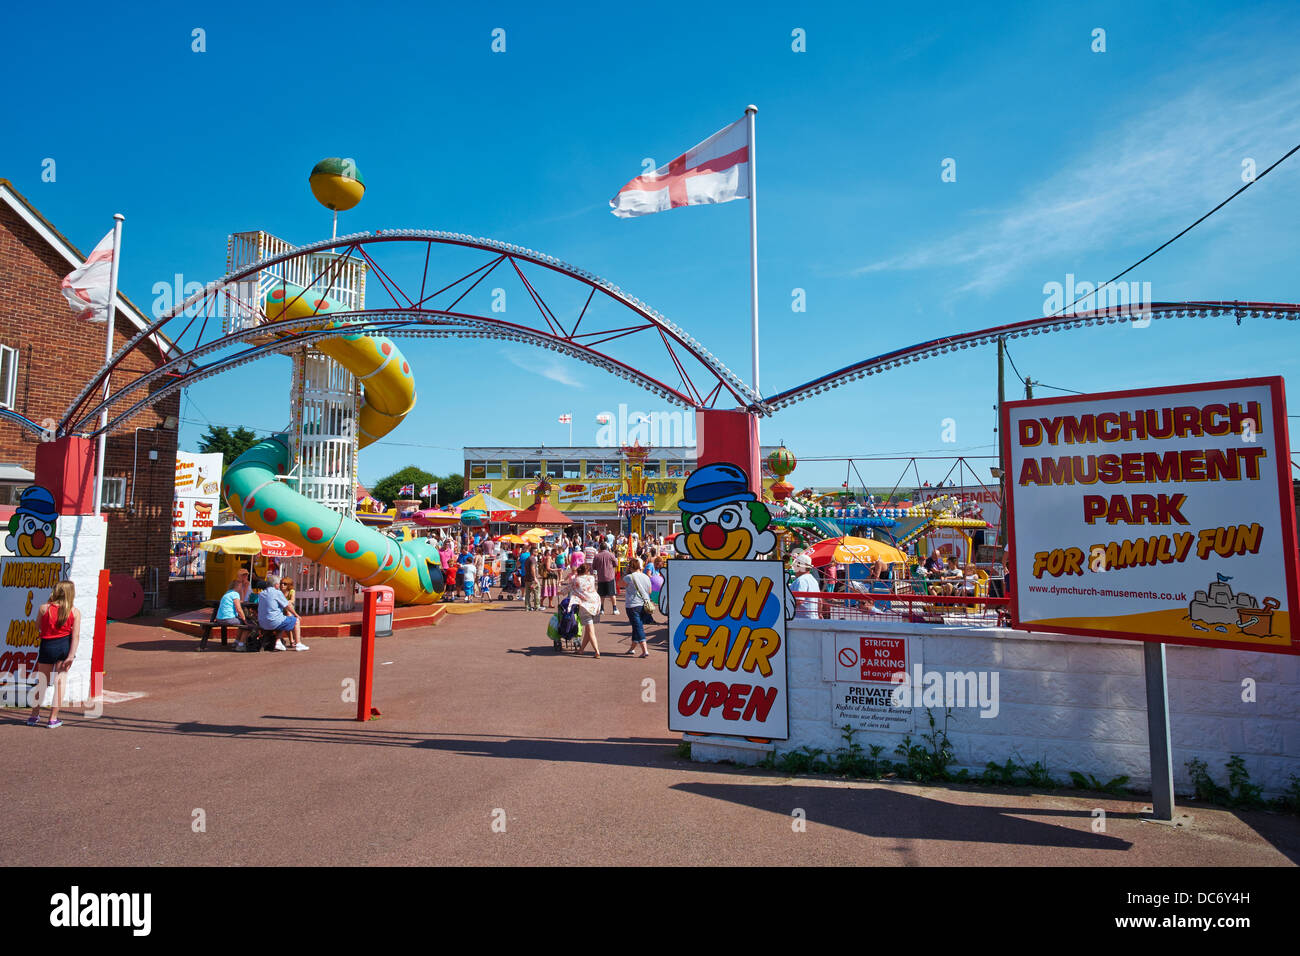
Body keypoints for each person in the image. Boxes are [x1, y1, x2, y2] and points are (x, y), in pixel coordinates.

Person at [26, 580, 81, 728]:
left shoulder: (44, 608)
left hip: (47, 646)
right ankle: (52, 718)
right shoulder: (74, 612)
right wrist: (71, 656)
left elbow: (37, 627)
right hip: (63, 647)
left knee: (42, 682)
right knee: (60, 683)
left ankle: (34, 716)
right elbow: (75, 637)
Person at [567, 563, 602, 658]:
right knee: (588, 629)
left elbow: (569, 588)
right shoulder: (592, 578)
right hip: (596, 603)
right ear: (587, 571)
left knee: (590, 630)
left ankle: (597, 651)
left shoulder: (576, 579)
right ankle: (581, 650)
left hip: (585, 605)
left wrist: (560, 592)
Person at [256, 574, 298, 650]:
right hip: (274, 621)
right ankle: (298, 643)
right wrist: (296, 615)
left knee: (281, 618)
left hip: (262, 622)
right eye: (280, 583)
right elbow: (287, 605)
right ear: (276, 585)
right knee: (294, 620)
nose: (281, 585)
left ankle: (278, 641)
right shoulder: (277, 593)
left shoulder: (261, 594)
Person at [623, 557, 654, 658]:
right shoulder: (646, 577)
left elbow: (619, 584)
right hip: (644, 604)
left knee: (638, 627)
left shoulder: (629, 577)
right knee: (637, 625)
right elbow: (649, 591)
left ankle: (645, 650)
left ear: (630, 567)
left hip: (633, 604)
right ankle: (632, 648)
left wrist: (625, 573)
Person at [214, 577, 255, 652]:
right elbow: (239, 609)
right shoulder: (235, 594)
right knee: (249, 624)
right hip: (228, 619)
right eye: (241, 586)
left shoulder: (228, 593)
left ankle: (236, 642)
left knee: (242, 623)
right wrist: (245, 620)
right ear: (237, 586)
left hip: (219, 619)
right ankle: (241, 645)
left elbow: (240, 602)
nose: (242, 587)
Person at [279, 577, 308, 650]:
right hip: (282, 609)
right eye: (281, 583)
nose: (282, 585)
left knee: (288, 614)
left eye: (285, 584)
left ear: (288, 585)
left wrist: (286, 603)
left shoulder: (291, 591)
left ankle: (293, 640)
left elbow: (292, 600)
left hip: (289, 609)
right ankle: (291, 640)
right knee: (286, 616)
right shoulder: (279, 592)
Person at [791, 555, 822, 619]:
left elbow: (799, 600)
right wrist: (819, 614)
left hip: (801, 619)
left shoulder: (801, 580)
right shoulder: (813, 580)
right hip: (813, 617)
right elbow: (819, 601)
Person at [593, 541, 618, 617]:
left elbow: (594, 566)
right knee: (612, 594)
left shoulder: (597, 556)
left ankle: (602, 609)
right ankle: (614, 609)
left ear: (600, 548)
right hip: (610, 577)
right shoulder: (611, 555)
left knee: (601, 595)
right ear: (606, 548)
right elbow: (616, 564)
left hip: (601, 577)